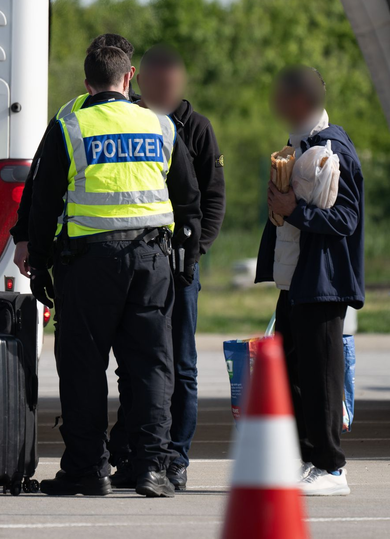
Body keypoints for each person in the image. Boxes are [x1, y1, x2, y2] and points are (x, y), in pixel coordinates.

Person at [27, 46, 201, 498]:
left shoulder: (70, 126)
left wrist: (40, 265)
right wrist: (185, 256)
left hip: (88, 264)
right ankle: (152, 469)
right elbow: (188, 196)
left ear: (88, 86)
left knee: (83, 368)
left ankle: (88, 469)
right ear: (129, 79)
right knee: (150, 367)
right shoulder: (161, 125)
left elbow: (43, 204)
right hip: (151, 262)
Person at [108, 45, 225, 491]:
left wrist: (195, 254)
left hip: (180, 266)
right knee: (137, 366)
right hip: (138, 262)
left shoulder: (196, 129)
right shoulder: (131, 121)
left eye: (170, 84)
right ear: (140, 81)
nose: (163, 90)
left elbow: (211, 198)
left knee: (181, 365)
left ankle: (175, 456)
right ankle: (133, 453)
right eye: (155, 83)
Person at [255, 65, 364, 497]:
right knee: (293, 372)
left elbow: (346, 218)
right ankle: (305, 459)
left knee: (321, 376)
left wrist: (293, 208)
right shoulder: (298, 144)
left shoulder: (332, 148)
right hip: (296, 280)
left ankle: (331, 467)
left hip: (323, 281)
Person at [11, 33, 139, 277]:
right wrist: (24, 237)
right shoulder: (69, 114)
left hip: (124, 252)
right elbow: (39, 181)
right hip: (84, 249)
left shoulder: (149, 117)